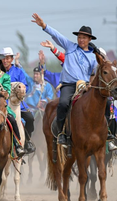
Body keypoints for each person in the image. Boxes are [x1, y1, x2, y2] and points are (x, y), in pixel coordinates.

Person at [32, 13, 98, 145]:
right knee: (62, 104)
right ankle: (61, 133)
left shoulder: (93, 57)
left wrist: (90, 85)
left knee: (102, 104)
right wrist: (44, 26)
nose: (81, 40)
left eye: (84, 38)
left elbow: (92, 74)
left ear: (89, 39)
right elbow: (57, 35)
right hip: (68, 85)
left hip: (84, 87)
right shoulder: (70, 46)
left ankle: (105, 134)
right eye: (79, 37)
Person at [41, 40, 117, 151]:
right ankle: (64, 133)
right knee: (68, 104)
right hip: (80, 89)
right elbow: (64, 58)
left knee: (109, 105)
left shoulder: (102, 66)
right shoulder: (80, 62)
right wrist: (53, 48)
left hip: (97, 93)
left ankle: (109, 136)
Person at [0, 47, 36, 154]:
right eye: (3, 58)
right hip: (3, 103)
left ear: (11, 59)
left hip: (17, 103)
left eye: (8, 58)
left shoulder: (18, 72)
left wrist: (20, 92)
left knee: (30, 119)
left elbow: (25, 86)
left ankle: (27, 142)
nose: (5, 60)